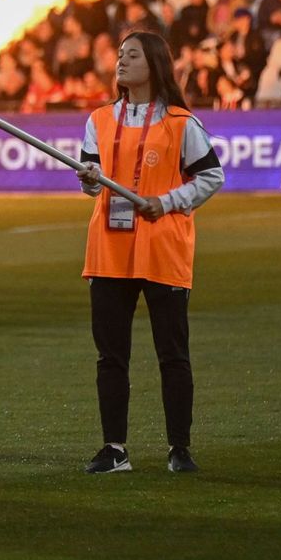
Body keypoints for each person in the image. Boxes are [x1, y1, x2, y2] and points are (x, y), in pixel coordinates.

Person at [74, 30, 224, 474]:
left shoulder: (181, 122)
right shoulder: (99, 119)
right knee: (110, 355)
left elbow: (211, 177)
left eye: (132, 55)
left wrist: (168, 202)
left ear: (155, 63)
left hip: (163, 249)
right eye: (119, 54)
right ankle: (114, 449)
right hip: (109, 250)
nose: (121, 61)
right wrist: (87, 179)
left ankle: (179, 447)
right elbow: (91, 178)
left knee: (172, 354)